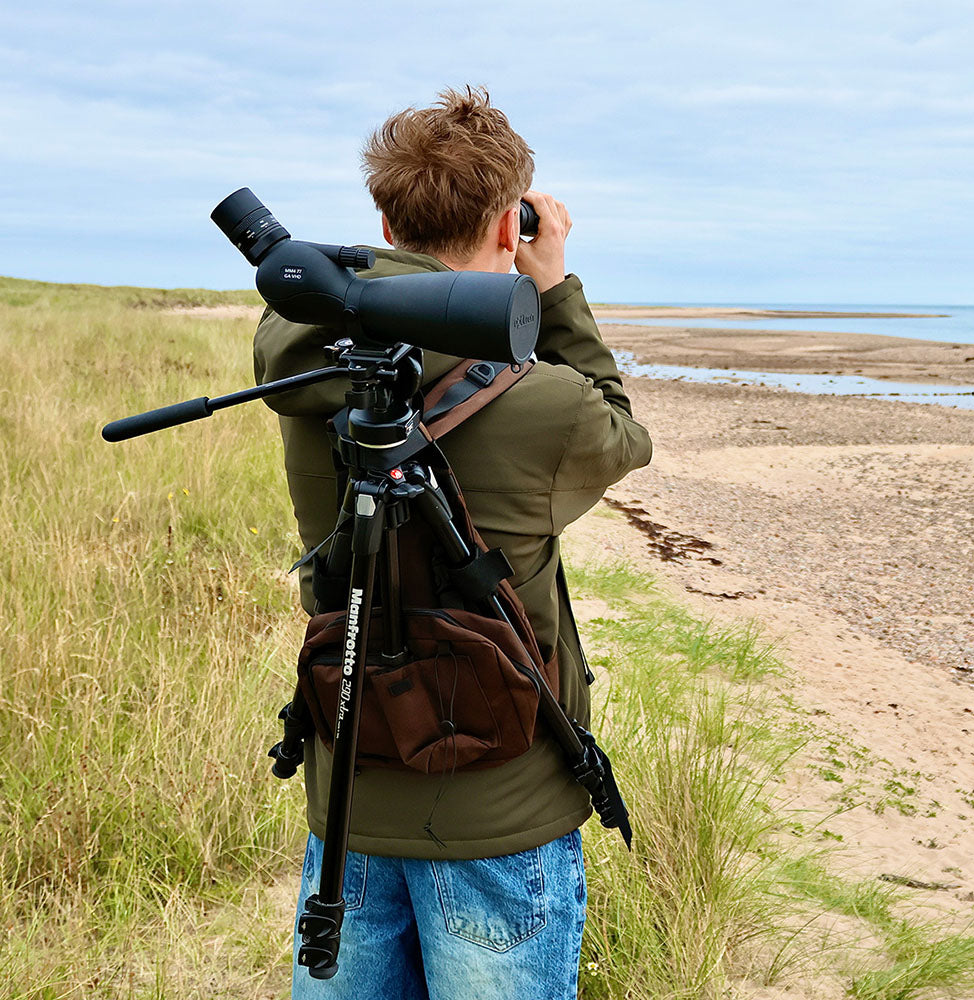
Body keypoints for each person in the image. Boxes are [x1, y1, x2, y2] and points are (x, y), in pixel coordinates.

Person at [253, 86, 652, 1000]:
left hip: (350, 788)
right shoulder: (544, 399)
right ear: (510, 224)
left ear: (385, 217)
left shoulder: (312, 364)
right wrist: (553, 290)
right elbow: (622, 433)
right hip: (502, 808)